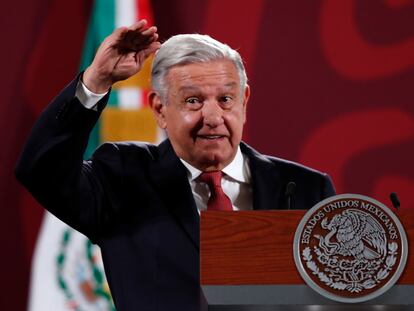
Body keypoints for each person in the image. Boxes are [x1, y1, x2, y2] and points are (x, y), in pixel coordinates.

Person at [15, 20, 335, 310]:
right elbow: (42, 170)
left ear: (244, 101)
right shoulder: (123, 177)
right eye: (193, 101)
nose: (212, 118)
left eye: (225, 99)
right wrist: (96, 80)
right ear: (159, 108)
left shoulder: (306, 188)